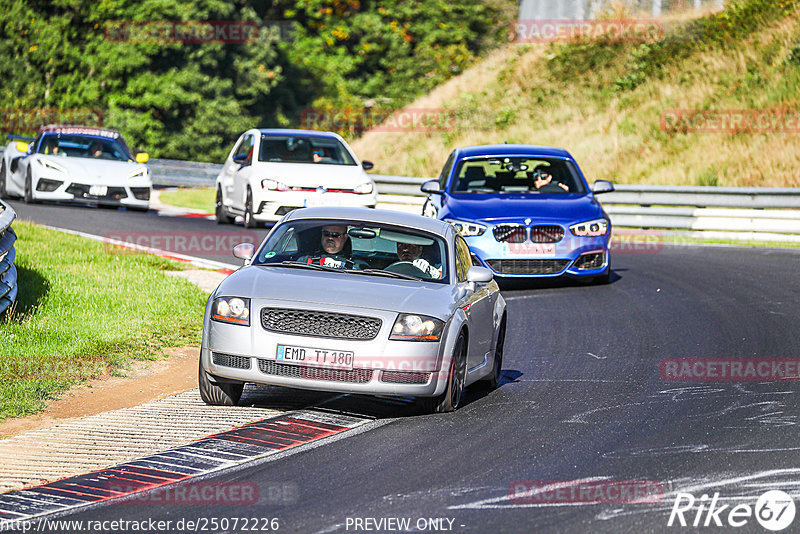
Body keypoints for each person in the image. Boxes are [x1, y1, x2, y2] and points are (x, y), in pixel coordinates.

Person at [298, 225, 366, 270]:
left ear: (345, 237)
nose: (330, 238)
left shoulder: (358, 266)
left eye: (335, 235)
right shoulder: (304, 261)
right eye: (326, 234)